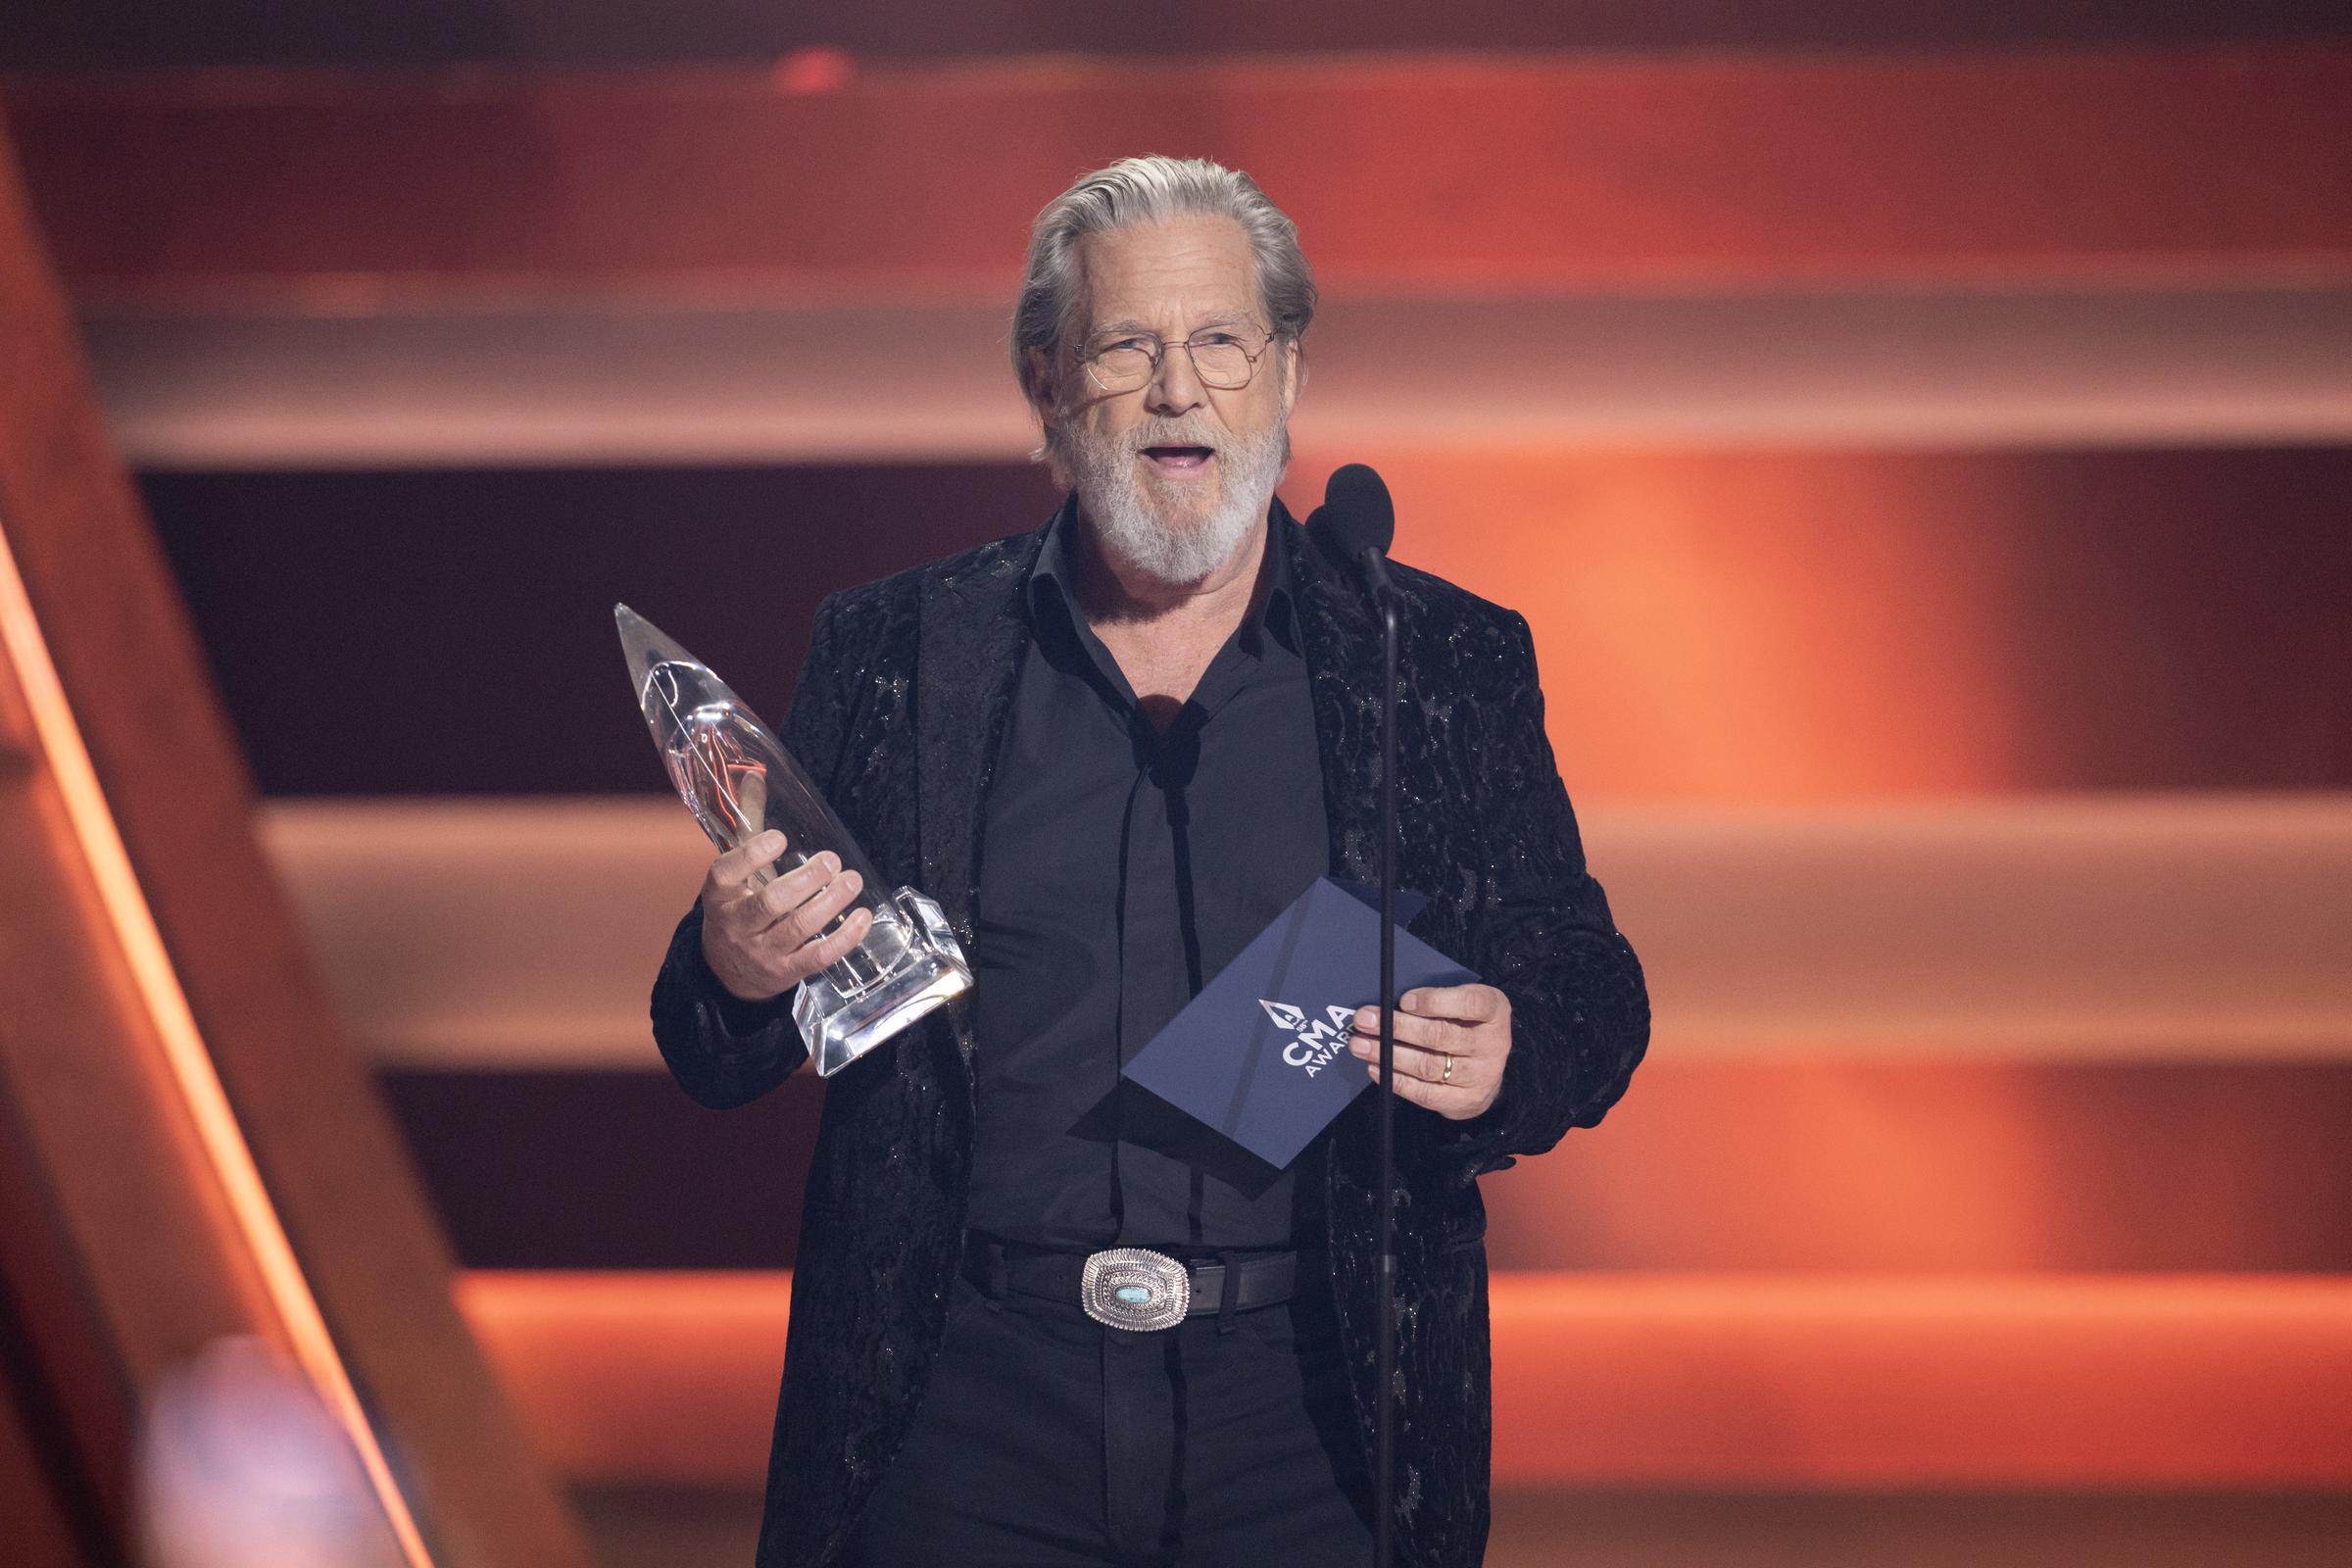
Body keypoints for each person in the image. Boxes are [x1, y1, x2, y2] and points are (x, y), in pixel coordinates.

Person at [649, 155, 1648, 1568]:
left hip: (1311, 1420)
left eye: (1223, 341)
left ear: (1287, 376)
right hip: (961, 1411)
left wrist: (1512, 1050)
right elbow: (713, 1045)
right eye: (1128, 345)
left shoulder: (1436, 660)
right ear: (1048, 388)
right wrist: (736, 966)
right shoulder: (898, 650)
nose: (1180, 388)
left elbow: (1587, 981)